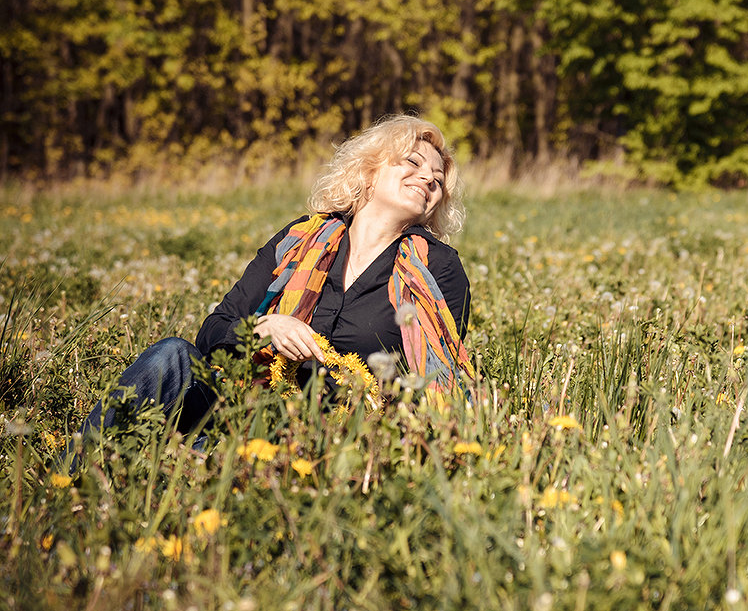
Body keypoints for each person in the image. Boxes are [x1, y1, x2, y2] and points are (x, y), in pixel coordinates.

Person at [67, 114, 473, 468]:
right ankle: (72, 472)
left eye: (437, 180)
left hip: (335, 442)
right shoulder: (297, 241)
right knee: (171, 355)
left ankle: (188, 462)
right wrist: (265, 327)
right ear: (368, 171)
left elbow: (436, 375)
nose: (427, 179)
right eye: (413, 163)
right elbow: (213, 332)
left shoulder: (439, 269)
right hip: (243, 412)